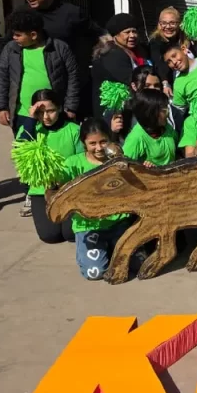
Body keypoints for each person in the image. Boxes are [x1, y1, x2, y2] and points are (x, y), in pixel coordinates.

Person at [0, 10, 79, 217]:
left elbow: (73, 78)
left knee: (56, 153)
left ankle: (61, 192)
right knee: (29, 156)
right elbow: (1, 77)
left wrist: (70, 107)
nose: (13, 38)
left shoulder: (58, 48)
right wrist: (1, 106)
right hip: (24, 113)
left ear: (33, 34)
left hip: (55, 112)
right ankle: (31, 194)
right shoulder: (11, 50)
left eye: (18, 34)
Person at [15, 0, 104, 113]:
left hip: (70, 87)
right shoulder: (22, 15)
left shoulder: (72, 13)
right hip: (35, 88)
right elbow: (7, 45)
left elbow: (100, 35)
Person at [63, 118, 131, 281]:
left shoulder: (118, 160)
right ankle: (91, 251)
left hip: (118, 223)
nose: (99, 148)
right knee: (96, 273)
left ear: (110, 139)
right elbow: (59, 189)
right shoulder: (72, 164)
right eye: (92, 143)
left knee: (137, 264)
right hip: (89, 226)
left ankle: (110, 247)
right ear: (83, 143)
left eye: (103, 142)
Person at [23, 89, 81, 244]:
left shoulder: (74, 130)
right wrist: (30, 119)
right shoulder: (31, 130)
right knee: (50, 236)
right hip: (41, 190)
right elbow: (20, 149)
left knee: (70, 234)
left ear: (60, 108)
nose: (46, 117)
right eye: (41, 112)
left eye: (51, 111)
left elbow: (82, 161)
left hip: (69, 188)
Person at [90, 13, 152, 116]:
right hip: (114, 111)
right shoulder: (112, 54)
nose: (132, 35)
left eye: (134, 31)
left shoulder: (139, 50)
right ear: (116, 35)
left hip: (133, 105)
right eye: (127, 32)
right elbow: (131, 79)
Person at [122, 88, 177, 167]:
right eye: (164, 109)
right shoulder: (136, 138)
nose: (168, 112)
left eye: (167, 107)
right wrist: (145, 170)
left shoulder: (166, 127)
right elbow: (124, 168)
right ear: (150, 113)